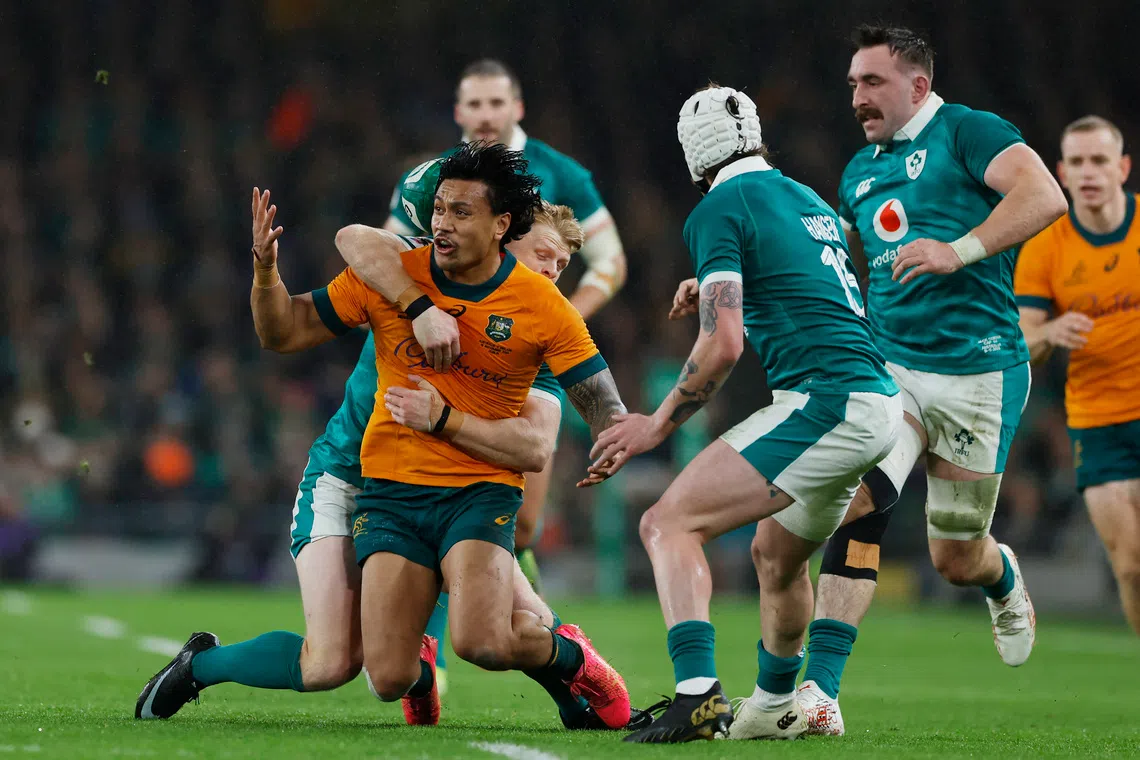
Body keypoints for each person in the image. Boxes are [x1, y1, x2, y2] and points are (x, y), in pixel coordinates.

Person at [137, 142, 632, 731]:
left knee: (503, 631)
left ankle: (575, 674)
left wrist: (621, 433)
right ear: (512, 234)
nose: (553, 272)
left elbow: (554, 434)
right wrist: (271, 270)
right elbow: (341, 256)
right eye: (545, 255)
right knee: (342, 667)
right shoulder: (398, 273)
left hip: (469, 486)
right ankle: (217, 664)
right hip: (360, 475)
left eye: (563, 266)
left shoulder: (542, 316)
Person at [586, 85, 902, 743]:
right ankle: (776, 703)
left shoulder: (718, 207)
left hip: (825, 401)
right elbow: (806, 271)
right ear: (756, 136)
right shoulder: (807, 199)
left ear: (692, 156)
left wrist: (659, 422)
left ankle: (697, 693)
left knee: (666, 524)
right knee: (776, 557)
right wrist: (716, 283)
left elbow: (723, 341)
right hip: (872, 401)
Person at [796, 24, 1068, 736]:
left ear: (917, 85)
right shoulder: (859, 174)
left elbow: (1045, 195)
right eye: (853, 82)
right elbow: (823, 258)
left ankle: (1000, 573)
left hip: (981, 372)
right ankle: (819, 695)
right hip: (892, 372)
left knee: (954, 555)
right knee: (857, 504)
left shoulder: (968, 132)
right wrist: (721, 283)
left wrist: (959, 249)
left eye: (873, 82)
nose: (857, 95)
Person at [385, 59, 628, 616]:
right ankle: (432, 651)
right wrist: (416, 309)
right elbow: (387, 251)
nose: (486, 115)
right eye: (475, 104)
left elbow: (609, 262)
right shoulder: (434, 178)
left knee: (520, 524)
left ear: (517, 108)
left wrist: (556, 315)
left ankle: (533, 615)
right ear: (458, 112)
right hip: (441, 345)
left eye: (497, 103)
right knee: (426, 496)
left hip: (523, 355)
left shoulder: (561, 173)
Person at [1015, 115, 1140, 634]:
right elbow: (1025, 343)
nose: (1089, 172)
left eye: (1100, 160)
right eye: (1078, 162)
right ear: (1062, 173)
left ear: (1123, 167)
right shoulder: (1045, 248)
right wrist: (1052, 331)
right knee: (1131, 566)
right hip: (1097, 422)